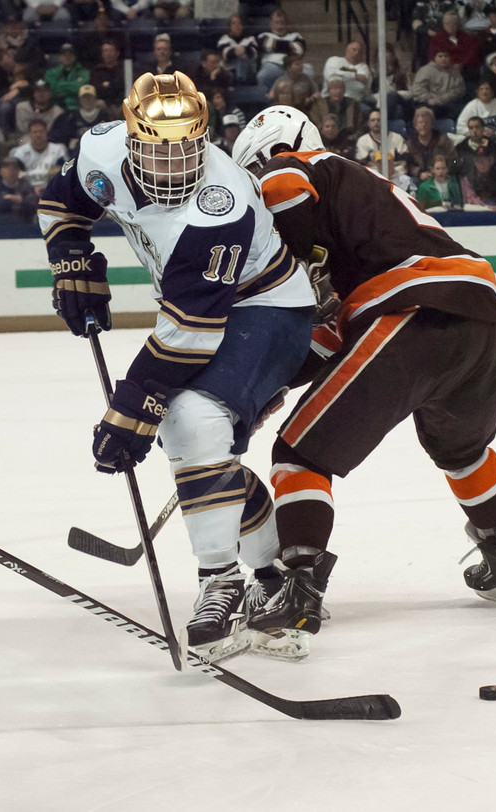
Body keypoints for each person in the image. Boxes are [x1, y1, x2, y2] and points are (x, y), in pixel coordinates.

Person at [229, 106, 496, 660]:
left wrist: (285, 269)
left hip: (411, 309)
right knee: (462, 449)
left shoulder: (300, 166)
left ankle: (298, 595)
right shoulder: (354, 209)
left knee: (298, 455)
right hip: (477, 315)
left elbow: (281, 184)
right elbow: (329, 342)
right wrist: (269, 389)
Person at [36, 78, 317, 662]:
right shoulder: (100, 153)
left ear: (204, 141)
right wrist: (72, 259)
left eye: (185, 148)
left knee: (188, 419)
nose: (172, 162)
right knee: (202, 451)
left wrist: (132, 406)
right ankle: (273, 579)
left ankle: (221, 581)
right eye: (158, 148)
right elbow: (62, 204)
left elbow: (188, 336)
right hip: (204, 311)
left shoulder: (221, 206)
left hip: (268, 308)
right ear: (134, 141)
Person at [10, 119, 68, 195]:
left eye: (41, 131)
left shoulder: (58, 150)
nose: (38, 135)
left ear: (47, 133)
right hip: (26, 191)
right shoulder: (20, 153)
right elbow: (16, 176)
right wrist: (31, 189)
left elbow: (63, 173)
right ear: (29, 134)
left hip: (52, 189)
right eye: (35, 132)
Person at [411, 48, 466, 119]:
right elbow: (417, 89)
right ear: (435, 58)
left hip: (448, 103)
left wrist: (449, 96)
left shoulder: (455, 72)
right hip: (427, 103)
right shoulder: (426, 70)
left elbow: (461, 89)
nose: (443, 59)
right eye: (440, 56)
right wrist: (428, 99)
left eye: (446, 56)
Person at [0, 156, 39, 223]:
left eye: (16, 169)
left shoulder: (25, 185)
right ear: (2, 171)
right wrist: (16, 200)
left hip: (24, 227)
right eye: (10, 169)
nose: (13, 172)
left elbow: (33, 205)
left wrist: (13, 199)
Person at [460, 143, 496, 210]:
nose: (480, 162)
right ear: (474, 161)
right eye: (478, 159)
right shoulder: (467, 179)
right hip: (478, 211)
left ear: (491, 160)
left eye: (484, 159)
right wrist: (486, 208)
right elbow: (470, 200)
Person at [218, 12, 258, 86]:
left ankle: (240, 80)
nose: (237, 26)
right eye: (233, 23)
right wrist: (240, 52)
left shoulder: (250, 39)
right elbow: (226, 55)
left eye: (239, 23)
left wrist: (244, 51)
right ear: (229, 26)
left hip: (248, 72)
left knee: (242, 60)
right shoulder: (224, 39)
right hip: (230, 71)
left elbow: (254, 54)